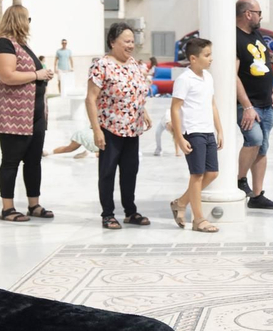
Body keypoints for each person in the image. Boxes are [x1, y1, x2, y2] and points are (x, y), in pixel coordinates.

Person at [0, 6, 55, 224]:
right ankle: (8, 208)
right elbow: (6, 76)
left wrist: (42, 75)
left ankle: (34, 204)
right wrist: (37, 74)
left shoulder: (22, 45)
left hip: (34, 114)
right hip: (14, 116)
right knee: (11, 161)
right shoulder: (3, 44)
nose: (29, 23)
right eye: (28, 19)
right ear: (18, 20)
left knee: (34, 161)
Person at [88, 21, 153, 229]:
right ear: (112, 42)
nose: (130, 45)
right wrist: (96, 130)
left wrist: (144, 111)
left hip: (133, 129)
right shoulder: (101, 65)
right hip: (110, 128)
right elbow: (90, 99)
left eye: (132, 41)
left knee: (130, 172)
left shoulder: (133, 63)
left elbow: (135, 91)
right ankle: (107, 214)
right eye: (126, 41)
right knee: (107, 172)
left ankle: (130, 211)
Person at [169, 36, 223, 234]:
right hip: (193, 132)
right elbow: (175, 108)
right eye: (207, 55)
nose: (211, 59)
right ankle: (198, 220)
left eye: (210, 54)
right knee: (197, 175)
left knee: (212, 173)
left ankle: (181, 203)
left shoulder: (208, 77)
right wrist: (179, 137)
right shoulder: (184, 79)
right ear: (193, 58)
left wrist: (219, 130)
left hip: (208, 131)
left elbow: (212, 104)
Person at [236, 0, 273, 209]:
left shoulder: (257, 34)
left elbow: (265, 65)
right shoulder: (235, 38)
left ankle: (257, 195)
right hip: (248, 104)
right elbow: (233, 75)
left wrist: (272, 91)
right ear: (248, 14)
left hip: (266, 103)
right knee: (254, 139)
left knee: (262, 148)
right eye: (259, 13)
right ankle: (239, 179)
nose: (260, 17)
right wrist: (247, 106)